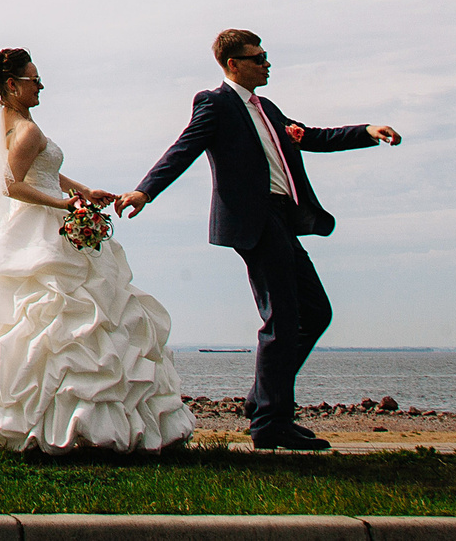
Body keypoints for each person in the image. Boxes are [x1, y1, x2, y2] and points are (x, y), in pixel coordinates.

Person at [115, 29, 402, 451]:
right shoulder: (215, 103)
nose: (267, 63)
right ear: (234, 64)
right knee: (282, 318)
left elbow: (312, 136)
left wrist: (367, 131)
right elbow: (185, 147)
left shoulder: (266, 108)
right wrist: (145, 190)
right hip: (254, 220)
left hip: (283, 219)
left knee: (316, 312)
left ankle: (261, 401)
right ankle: (270, 423)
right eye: (259, 57)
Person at [0, 47, 194, 453]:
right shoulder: (26, 130)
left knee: (42, 320)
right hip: (42, 227)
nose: (41, 85)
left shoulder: (15, 126)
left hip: (31, 225)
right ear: (12, 85)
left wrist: (80, 191)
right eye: (34, 79)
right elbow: (11, 184)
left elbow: (44, 171)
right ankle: (76, 424)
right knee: (64, 317)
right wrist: (63, 205)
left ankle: (31, 421)